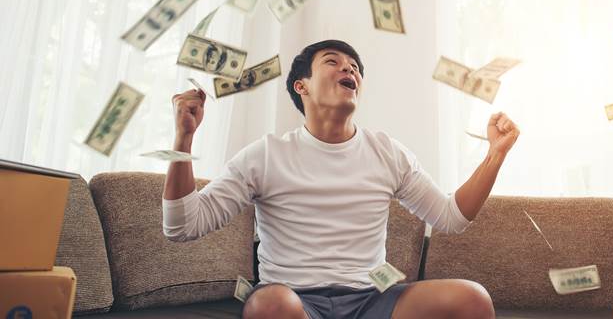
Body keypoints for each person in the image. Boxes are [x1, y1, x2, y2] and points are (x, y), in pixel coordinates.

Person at [163, 39, 520, 319]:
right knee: (269, 306)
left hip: (373, 300)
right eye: (332, 62)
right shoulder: (266, 154)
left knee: (472, 299)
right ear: (301, 86)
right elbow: (182, 226)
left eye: (353, 67)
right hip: (294, 300)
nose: (348, 69)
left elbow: (451, 217)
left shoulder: (386, 152)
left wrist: (495, 154)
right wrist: (183, 138)